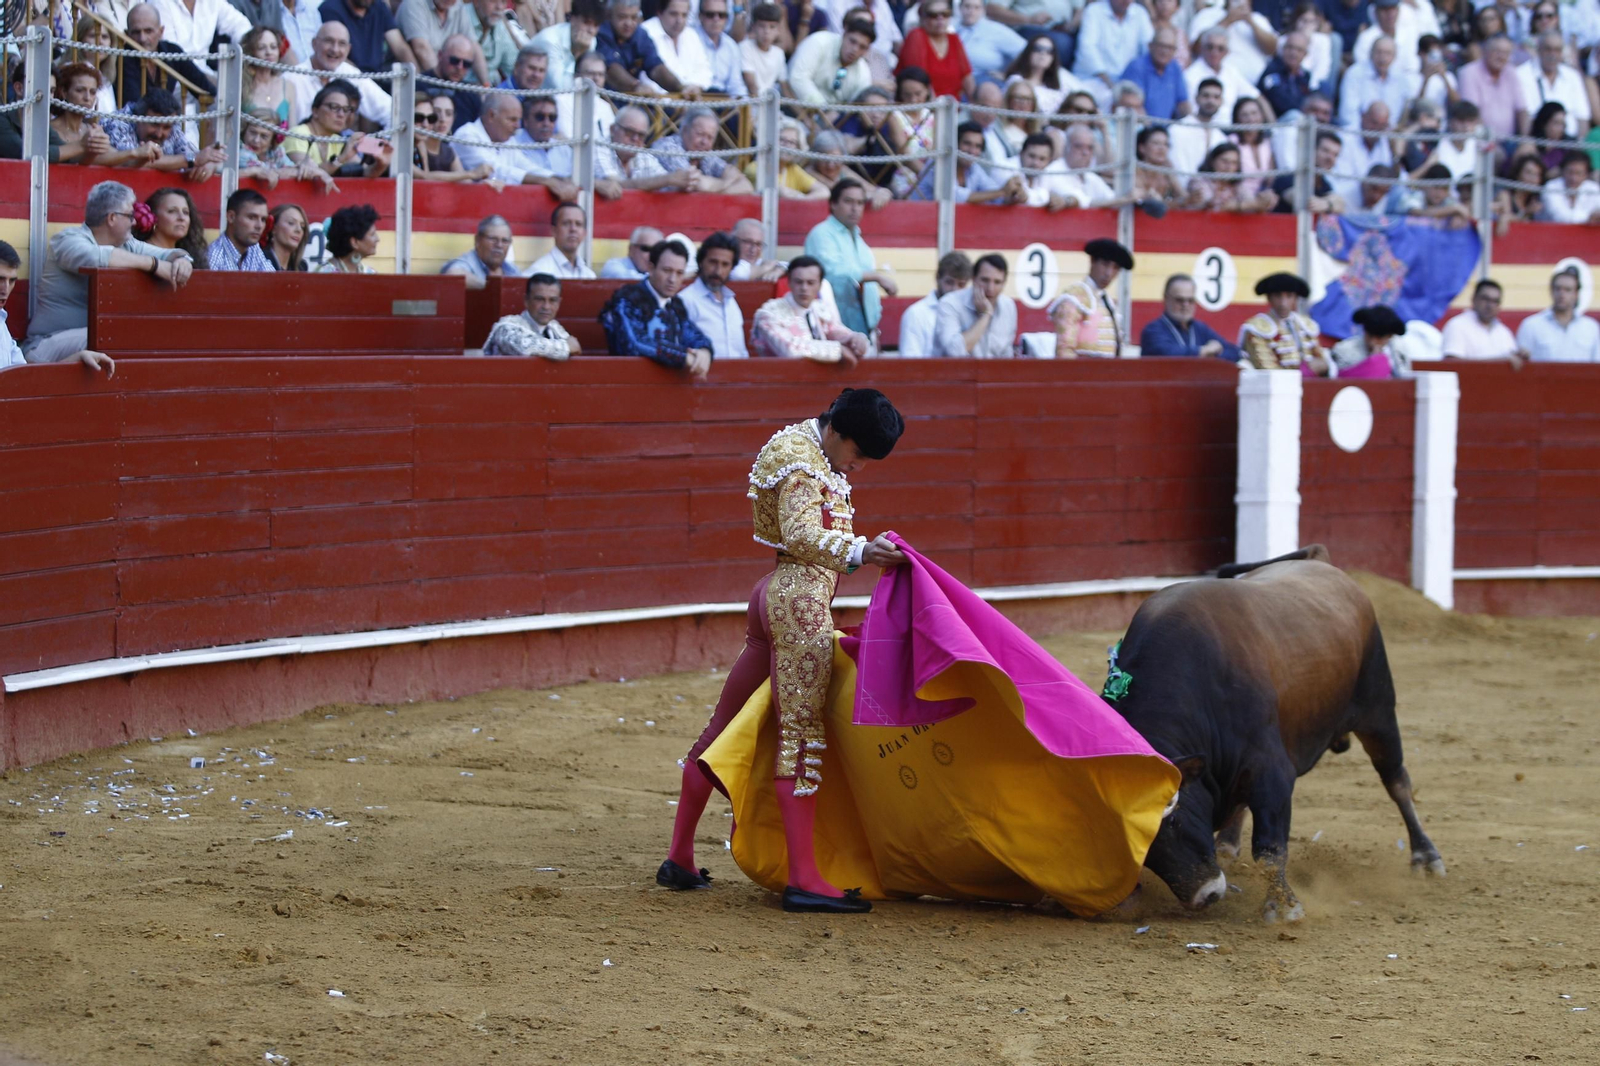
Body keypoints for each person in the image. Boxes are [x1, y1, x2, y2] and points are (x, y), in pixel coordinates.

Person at [659, 388, 906, 912]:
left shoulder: (804, 446)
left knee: (721, 729)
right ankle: (804, 877)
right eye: (858, 455)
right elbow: (798, 532)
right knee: (802, 735)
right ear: (837, 430)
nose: (857, 467)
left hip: (777, 595)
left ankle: (679, 856)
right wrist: (862, 549)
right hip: (798, 604)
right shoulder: (801, 460)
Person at [23, 180, 191, 364]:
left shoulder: (127, 244)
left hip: (89, 342)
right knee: (109, 336)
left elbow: (170, 254)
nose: (134, 221)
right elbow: (96, 257)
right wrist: (154, 265)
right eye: (129, 215)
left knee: (116, 336)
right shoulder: (67, 240)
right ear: (112, 218)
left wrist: (182, 260)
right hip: (45, 346)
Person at [599, 239, 715, 376]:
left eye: (679, 273)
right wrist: (684, 357)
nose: (672, 279)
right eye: (667, 270)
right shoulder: (627, 300)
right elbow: (635, 344)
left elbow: (693, 335)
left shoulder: (675, 305)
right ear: (651, 268)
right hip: (628, 386)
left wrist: (704, 350)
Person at [0, 240, 114, 375]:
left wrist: (75, 359)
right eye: (0, 279)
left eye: (12, 281)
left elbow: (25, 383)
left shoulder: (2, 324)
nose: (5, 289)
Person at [803, 180, 897, 341]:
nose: (855, 208)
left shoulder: (858, 239)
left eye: (860, 203)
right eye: (848, 202)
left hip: (865, 327)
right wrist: (877, 277)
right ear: (833, 204)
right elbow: (832, 272)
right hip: (832, 329)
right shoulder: (822, 234)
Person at [751, 257, 870, 364]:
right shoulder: (769, 313)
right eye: (799, 282)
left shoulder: (819, 309)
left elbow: (834, 330)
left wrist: (855, 338)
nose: (804, 288)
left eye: (810, 283)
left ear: (819, 285)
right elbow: (791, 350)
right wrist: (838, 350)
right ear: (789, 283)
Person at [285, 20, 394, 127]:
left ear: (348, 49)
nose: (335, 49)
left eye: (342, 44)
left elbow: (391, 110)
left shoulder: (351, 74)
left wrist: (383, 142)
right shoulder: (291, 79)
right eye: (329, 41)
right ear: (314, 44)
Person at [122, 3, 218, 110]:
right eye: (136, 32)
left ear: (161, 32)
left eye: (148, 31)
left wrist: (209, 118)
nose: (142, 38)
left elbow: (206, 89)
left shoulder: (171, 51)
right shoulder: (122, 58)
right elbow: (136, 106)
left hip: (167, 122)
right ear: (127, 34)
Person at [1048, 238, 1131, 359]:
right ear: (1092, 261)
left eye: (1115, 268)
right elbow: (1064, 350)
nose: (1109, 273)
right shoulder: (1073, 299)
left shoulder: (1108, 302)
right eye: (1105, 264)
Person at [285, 80, 387, 178]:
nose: (341, 115)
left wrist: (381, 164)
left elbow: (365, 173)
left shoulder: (336, 139)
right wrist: (342, 158)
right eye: (334, 107)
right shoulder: (298, 134)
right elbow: (309, 175)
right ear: (315, 111)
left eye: (346, 110)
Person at [594, 105, 703, 192]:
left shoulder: (643, 156)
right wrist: (668, 180)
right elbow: (616, 186)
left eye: (641, 135)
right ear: (612, 129)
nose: (635, 138)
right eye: (629, 132)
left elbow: (669, 185)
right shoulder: (599, 148)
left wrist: (686, 180)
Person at [598, 0, 695, 96]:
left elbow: (656, 68)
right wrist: (636, 86)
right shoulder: (600, 32)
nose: (629, 23)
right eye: (622, 17)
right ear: (609, 15)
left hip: (634, 99)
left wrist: (680, 88)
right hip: (605, 98)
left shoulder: (640, 34)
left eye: (634, 17)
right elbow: (611, 68)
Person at [1238, 272, 1329, 373]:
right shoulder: (1256, 328)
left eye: (1289, 296)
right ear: (1269, 298)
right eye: (1277, 296)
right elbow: (1267, 371)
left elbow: (1322, 361)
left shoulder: (1306, 325)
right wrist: (1307, 371)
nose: (1283, 303)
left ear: (1296, 298)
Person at [787, 15, 875, 118]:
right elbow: (798, 77)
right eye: (852, 41)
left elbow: (857, 105)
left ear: (867, 50)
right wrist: (824, 110)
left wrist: (837, 116)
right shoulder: (819, 42)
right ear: (844, 34)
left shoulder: (863, 72)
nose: (855, 49)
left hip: (833, 122)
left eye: (862, 47)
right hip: (793, 109)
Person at [652, 108, 756, 195]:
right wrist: (727, 183)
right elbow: (692, 182)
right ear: (684, 130)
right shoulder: (667, 147)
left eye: (710, 137)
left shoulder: (703, 154)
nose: (704, 142)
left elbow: (746, 187)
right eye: (700, 134)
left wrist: (713, 187)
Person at [1072, 0, 1153, 109]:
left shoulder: (1140, 13)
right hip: (1094, 79)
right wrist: (1110, 84)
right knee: (1107, 100)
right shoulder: (1094, 10)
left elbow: (1149, 48)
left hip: (1128, 81)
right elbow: (1087, 49)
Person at [680, 233, 749, 361]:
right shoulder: (685, 301)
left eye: (725, 265)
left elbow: (741, 352)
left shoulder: (732, 302)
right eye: (713, 262)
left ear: (731, 268)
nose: (718, 271)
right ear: (701, 262)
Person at [933, 253, 1016, 358]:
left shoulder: (1008, 306)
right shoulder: (950, 303)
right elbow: (954, 352)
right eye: (985, 280)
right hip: (954, 373)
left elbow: (1006, 354)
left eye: (997, 282)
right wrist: (985, 315)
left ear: (1004, 283)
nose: (990, 288)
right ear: (973, 279)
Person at [1138, 274, 1241, 359]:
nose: (1185, 306)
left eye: (1190, 301)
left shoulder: (1200, 328)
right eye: (1179, 300)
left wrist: (1212, 354)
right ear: (1166, 299)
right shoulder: (1153, 330)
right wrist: (1203, 351)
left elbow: (1234, 352)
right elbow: (1168, 354)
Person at [909, 121, 1012, 203]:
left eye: (978, 146)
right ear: (955, 144)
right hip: (914, 222)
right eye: (967, 144)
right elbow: (954, 197)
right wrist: (1003, 192)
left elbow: (994, 193)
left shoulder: (974, 168)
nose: (972, 151)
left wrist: (1014, 194)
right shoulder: (937, 164)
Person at [483, 273, 579, 359]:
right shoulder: (506, 327)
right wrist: (566, 347)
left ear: (559, 303)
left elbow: (575, 348)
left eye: (552, 300)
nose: (546, 307)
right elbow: (525, 348)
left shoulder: (555, 328)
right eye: (539, 299)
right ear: (526, 300)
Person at [1516, 266, 1600, 362]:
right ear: (1551, 291)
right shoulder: (1531, 325)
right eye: (1558, 289)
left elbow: (1597, 368)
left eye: (1567, 290)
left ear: (1576, 294)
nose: (1562, 294)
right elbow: (1522, 366)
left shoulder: (1591, 328)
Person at [897, 252, 972, 359]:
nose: (955, 290)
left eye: (961, 284)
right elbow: (910, 363)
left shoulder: (971, 313)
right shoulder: (916, 314)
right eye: (949, 282)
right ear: (937, 278)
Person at [1515, 31, 1590, 138]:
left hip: (1569, 143)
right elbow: (1523, 116)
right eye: (1548, 49)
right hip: (1537, 140)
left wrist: (1579, 147)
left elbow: (1582, 117)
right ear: (1539, 50)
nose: (1553, 55)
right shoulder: (1521, 74)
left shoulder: (1573, 76)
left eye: (1557, 50)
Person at [1188, 0, 1278, 85]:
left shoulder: (1258, 19)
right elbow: (1197, 48)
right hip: (1216, 85)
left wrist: (1251, 22)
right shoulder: (1208, 15)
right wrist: (1228, 20)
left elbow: (1273, 50)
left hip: (1254, 85)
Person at [897, 1, 973, 100]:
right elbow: (919, 81)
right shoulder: (917, 36)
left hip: (953, 107)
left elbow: (967, 77)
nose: (940, 19)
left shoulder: (953, 39)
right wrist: (936, 112)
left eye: (945, 14)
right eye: (933, 15)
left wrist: (975, 105)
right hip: (926, 108)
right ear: (923, 18)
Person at [1458, 35, 1528, 140]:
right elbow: (1472, 114)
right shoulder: (1469, 72)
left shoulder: (1511, 72)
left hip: (1510, 140)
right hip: (1479, 139)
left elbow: (1522, 110)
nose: (1501, 57)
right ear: (1485, 51)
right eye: (1497, 51)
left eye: (1506, 53)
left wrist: (1525, 140)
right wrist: (1489, 142)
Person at [397, 0, 486, 82]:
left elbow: (474, 46)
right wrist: (443, 84)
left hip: (446, 80)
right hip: (413, 82)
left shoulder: (458, 5)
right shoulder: (414, 3)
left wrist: (486, 85)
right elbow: (421, 48)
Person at [1184, 28, 1262, 122]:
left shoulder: (1231, 71)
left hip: (1230, 131)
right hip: (1201, 129)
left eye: (1220, 48)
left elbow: (1257, 96)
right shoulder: (1189, 75)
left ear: (1227, 52)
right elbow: (1189, 113)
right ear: (1201, 48)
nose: (1214, 52)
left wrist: (1272, 129)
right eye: (1210, 47)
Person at [511, 96, 581, 199]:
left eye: (552, 118)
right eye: (540, 117)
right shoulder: (512, 142)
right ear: (525, 120)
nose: (546, 123)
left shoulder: (563, 148)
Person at [1337, 35, 1410, 131]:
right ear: (1371, 53)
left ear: (1394, 57)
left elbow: (1400, 114)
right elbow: (1348, 114)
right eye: (1379, 52)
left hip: (1389, 134)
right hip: (1358, 133)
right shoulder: (1355, 73)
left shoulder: (1401, 78)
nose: (1383, 58)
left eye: (1388, 53)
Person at [318, 0, 414, 73]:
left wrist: (415, 75)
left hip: (378, 77)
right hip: (347, 78)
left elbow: (400, 47)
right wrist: (366, 82)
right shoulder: (331, 8)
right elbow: (336, 55)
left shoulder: (379, 7)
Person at [1440, 279, 1524, 362]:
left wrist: (1521, 357)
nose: (1490, 306)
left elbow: (1512, 361)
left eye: (1495, 301)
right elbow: (1452, 362)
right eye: (1485, 299)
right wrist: (1500, 361)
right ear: (1473, 299)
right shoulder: (1457, 325)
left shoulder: (1503, 332)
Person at [1118, 25, 1189, 120]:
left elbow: (1182, 102)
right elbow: (1133, 105)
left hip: (1166, 128)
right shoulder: (1137, 66)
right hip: (1140, 127)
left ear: (1175, 51)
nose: (1165, 51)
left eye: (1170, 48)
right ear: (1151, 46)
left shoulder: (1174, 67)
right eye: (1161, 46)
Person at [642, 0, 712, 94]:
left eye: (684, 15)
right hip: (656, 104)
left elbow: (705, 71)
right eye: (674, 14)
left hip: (691, 100)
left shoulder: (691, 34)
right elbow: (646, 79)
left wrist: (693, 87)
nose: (679, 21)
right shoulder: (645, 32)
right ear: (660, 12)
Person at [532, 0, 603, 91]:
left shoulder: (591, 41)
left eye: (596, 25)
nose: (591, 30)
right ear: (573, 19)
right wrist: (578, 54)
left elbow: (587, 81)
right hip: (534, 95)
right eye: (586, 23)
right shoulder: (550, 41)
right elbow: (561, 87)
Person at [1328, 304, 1416, 378]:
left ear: (1390, 336)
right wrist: (1375, 360)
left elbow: (1404, 378)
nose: (1373, 341)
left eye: (1379, 337)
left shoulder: (1398, 349)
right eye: (1370, 335)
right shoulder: (1344, 350)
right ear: (1365, 331)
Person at [1270, 129, 1343, 213]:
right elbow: (1302, 201)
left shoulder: (1324, 185)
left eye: (1335, 155)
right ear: (1311, 150)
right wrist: (1329, 204)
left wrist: (1326, 204)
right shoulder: (1287, 178)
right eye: (1325, 151)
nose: (1330, 158)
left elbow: (1341, 205)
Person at [442, 215, 523, 290]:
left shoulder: (512, 270)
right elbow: (452, 275)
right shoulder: (468, 262)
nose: (499, 245)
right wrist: (490, 289)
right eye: (493, 239)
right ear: (477, 240)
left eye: (505, 241)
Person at [136, 187, 209, 266]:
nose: (181, 218)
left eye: (186, 212)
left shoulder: (193, 256)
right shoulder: (139, 253)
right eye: (172, 211)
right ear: (153, 217)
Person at [207, 189, 273, 271]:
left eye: (263, 219)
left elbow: (273, 281)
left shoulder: (254, 249)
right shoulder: (214, 256)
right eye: (252, 217)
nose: (259, 226)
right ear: (231, 217)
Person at [527, 202, 597, 280]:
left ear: (584, 233)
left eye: (578, 224)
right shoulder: (538, 272)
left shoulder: (589, 275)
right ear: (553, 231)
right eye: (566, 223)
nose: (573, 229)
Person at [1256, 29, 1317, 119]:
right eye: (1290, 47)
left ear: (1305, 54)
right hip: (1274, 123)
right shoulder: (1272, 71)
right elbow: (1281, 103)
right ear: (1283, 49)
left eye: (1299, 50)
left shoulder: (1305, 75)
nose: (1293, 53)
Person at [955, 0, 1024, 78]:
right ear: (959, 8)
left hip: (984, 78)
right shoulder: (951, 26)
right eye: (967, 6)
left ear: (983, 10)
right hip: (953, 76)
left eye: (976, 8)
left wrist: (1007, 74)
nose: (971, 11)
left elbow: (1025, 50)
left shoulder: (996, 30)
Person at [317, 203, 381, 274]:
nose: (378, 239)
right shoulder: (325, 274)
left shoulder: (370, 273)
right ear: (354, 242)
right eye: (372, 234)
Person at [1540, 151, 1600, 224]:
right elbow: (1561, 218)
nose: (1573, 178)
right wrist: (1588, 219)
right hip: (1552, 233)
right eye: (1570, 172)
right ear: (1562, 171)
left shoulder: (1593, 188)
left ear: (1586, 174)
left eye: (1578, 173)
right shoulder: (1551, 187)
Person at [742, 3, 789, 96]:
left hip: (770, 104)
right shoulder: (745, 47)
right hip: (749, 105)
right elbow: (752, 86)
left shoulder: (779, 53)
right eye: (762, 26)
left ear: (778, 30)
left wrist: (800, 111)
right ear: (754, 27)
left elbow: (785, 89)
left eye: (772, 27)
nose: (766, 32)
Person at [729, 218, 787, 282]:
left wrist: (780, 270)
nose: (753, 250)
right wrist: (766, 268)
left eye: (758, 244)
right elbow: (738, 274)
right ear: (734, 241)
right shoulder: (725, 262)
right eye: (748, 242)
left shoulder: (758, 263)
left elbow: (789, 265)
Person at [263, 202, 311, 271]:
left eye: (302, 226)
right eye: (291, 223)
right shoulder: (260, 260)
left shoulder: (302, 267)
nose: (299, 230)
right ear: (273, 228)